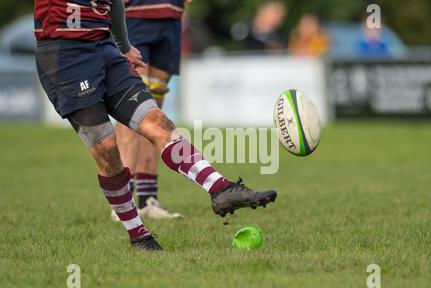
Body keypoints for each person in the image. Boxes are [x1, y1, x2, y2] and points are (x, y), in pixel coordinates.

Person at [33, 0, 277, 251]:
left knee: (157, 121)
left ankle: (220, 188)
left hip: (105, 48)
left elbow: (115, 3)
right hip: (64, 55)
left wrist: (123, 47)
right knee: (106, 147)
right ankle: (137, 234)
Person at [113, 0, 189, 221]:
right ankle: (123, 200)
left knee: (155, 107)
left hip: (172, 14)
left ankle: (147, 199)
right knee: (131, 104)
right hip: (134, 14)